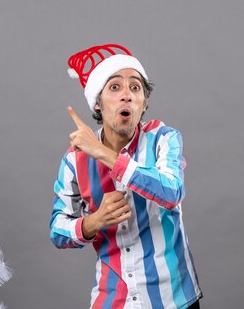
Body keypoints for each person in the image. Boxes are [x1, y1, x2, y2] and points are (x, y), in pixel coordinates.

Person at [50, 44, 202, 309]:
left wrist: (103, 153)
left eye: (135, 88)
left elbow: (172, 191)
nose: (127, 96)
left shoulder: (163, 139)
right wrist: (94, 221)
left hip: (173, 300)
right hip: (112, 300)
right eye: (115, 87)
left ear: (143, 104)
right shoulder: (75, 160)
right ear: (98, 103)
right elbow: (58, 231)